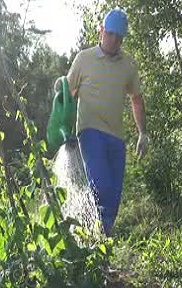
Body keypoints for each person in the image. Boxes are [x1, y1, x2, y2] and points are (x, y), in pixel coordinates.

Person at [66, 8, 148, 236]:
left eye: (119, 36)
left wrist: (142, 132)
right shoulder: (84, 58)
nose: (114, 40)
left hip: (117, 138)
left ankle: (100, 242)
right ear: (101, 31)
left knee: (113, 198)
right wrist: (64, 128)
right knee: (101, 187)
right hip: (89, 131)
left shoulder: (128, 66)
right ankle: (85, 230)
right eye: (110, 34)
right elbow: (67, 93)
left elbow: (136, 99)